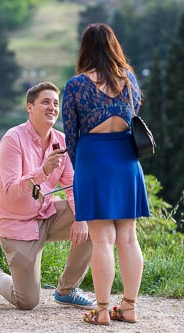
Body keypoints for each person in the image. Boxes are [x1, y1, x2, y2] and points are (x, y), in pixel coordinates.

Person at [0, 81, 96, 311]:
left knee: (93, 215)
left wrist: (81, 218)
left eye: (55, 103)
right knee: (27, 301)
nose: (52, 107)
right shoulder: (12, 139)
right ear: (29, 107)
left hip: (46, 214)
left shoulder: (62, 141)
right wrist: (44, 171)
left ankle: (67, 290)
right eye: (45, 102)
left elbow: (72, 184)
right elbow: (10, 190)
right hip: (16, 223)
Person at [61, 23, 150, 325]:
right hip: (126, 159)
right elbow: (135, 114)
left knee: (102, 240)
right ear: (114, 46)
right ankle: (129, 306)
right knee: (128, 238)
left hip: (94, 159)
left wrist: (82, 167)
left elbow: (71, 136)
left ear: (85, 48)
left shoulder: (75, 85)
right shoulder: (130, 81)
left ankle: (101, 310)